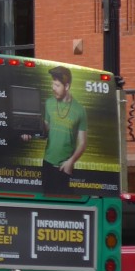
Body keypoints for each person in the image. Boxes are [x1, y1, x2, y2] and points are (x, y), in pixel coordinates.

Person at [33, 65, 87, 195]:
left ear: (67, 86)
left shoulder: (80, 110)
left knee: (65, 202)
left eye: (57, 85)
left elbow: (83, 143)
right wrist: (31, 132)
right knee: (46, 201)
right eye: (52, 84)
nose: (53, 88)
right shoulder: (49, 103)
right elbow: (45, 131)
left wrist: (71, 162)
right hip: (47, 164)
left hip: (64, 167)